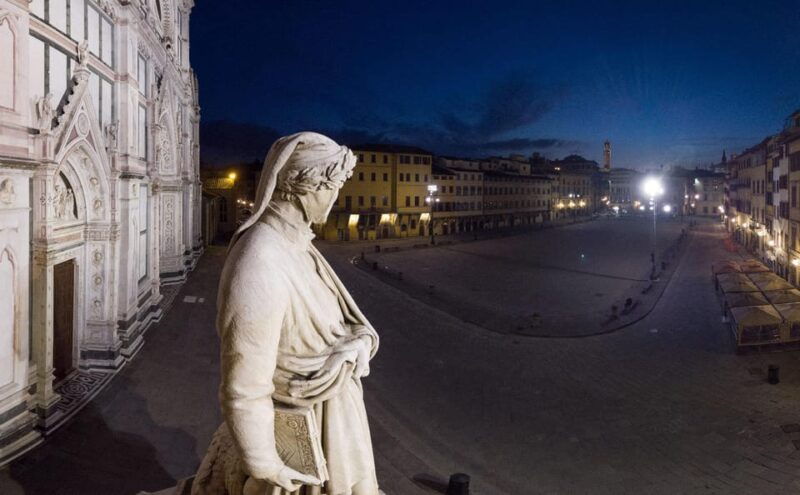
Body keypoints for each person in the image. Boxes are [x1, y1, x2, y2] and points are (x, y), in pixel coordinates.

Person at [193, 133, 381, 495]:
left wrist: (354, 345)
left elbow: (344, 323)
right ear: (303, 185)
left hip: (336, 425)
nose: (337, 197)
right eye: (333, 186)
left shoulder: (300, 246)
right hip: (296, 446)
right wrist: (264, 463)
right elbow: (244, 385)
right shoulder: (260, 260)